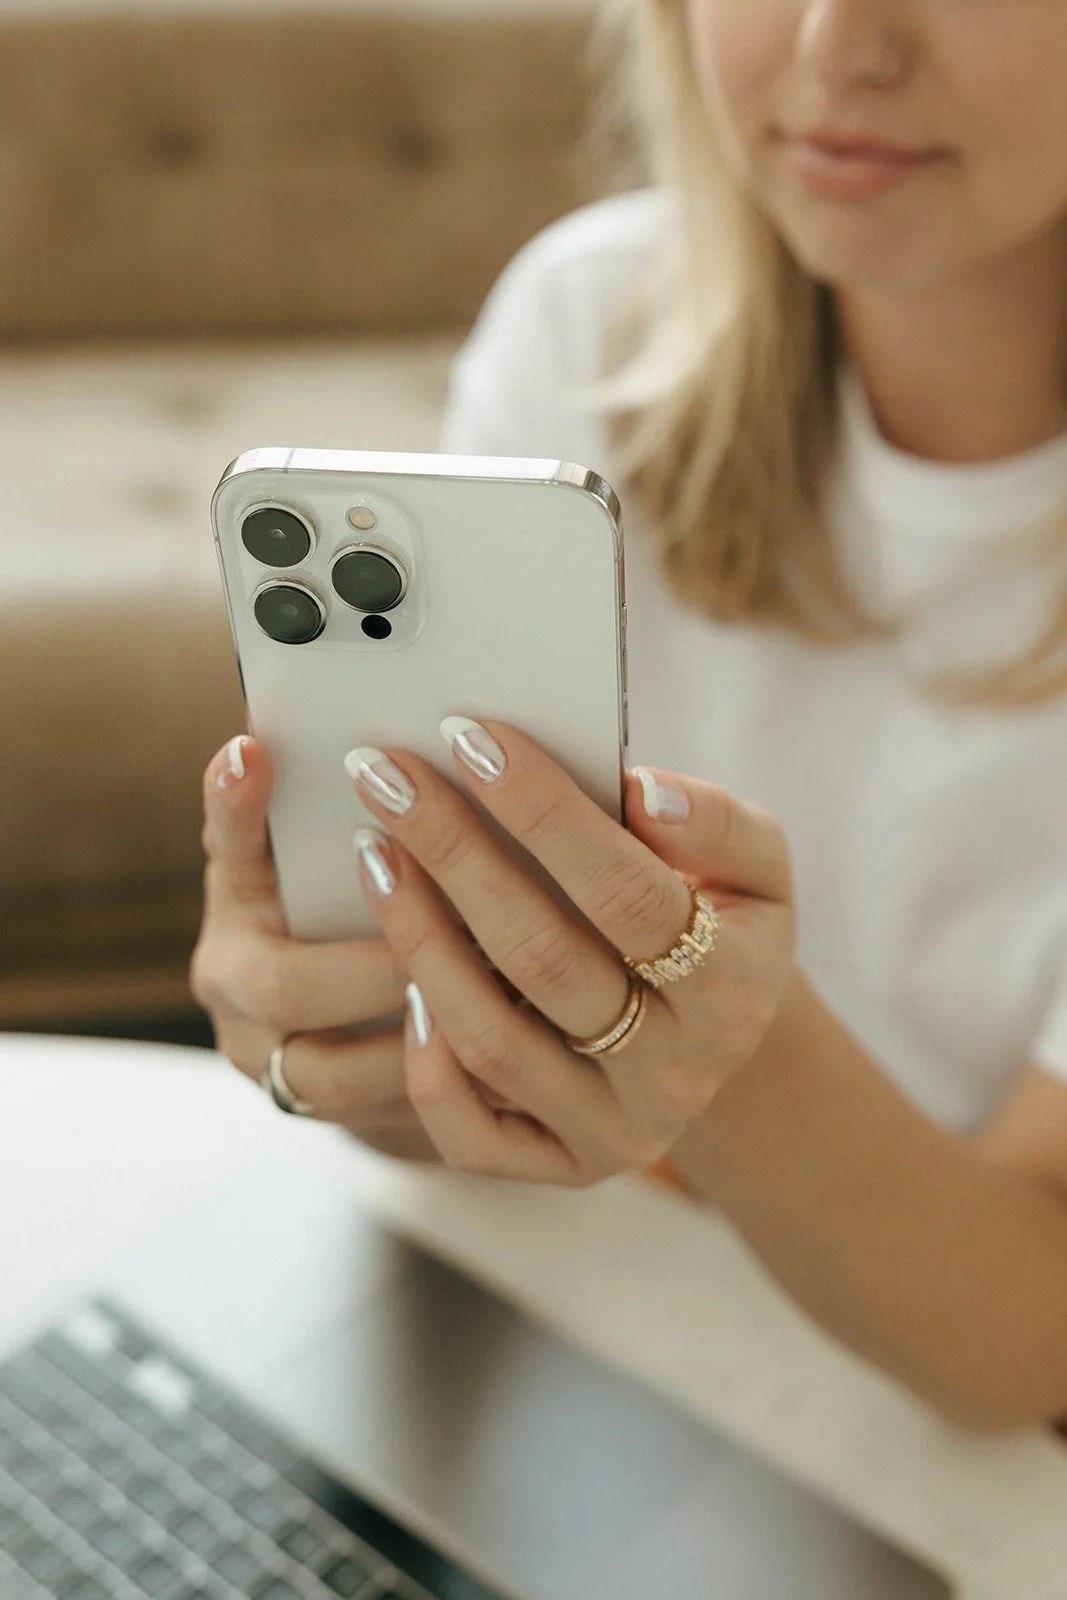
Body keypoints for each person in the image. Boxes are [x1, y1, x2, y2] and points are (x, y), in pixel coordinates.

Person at [193, 0, 1067, 1585]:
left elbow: (1024, 1341)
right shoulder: (592, 324)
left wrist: (711, 1043)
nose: (835, 44)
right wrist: (341, 1031)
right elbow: (468, 1107)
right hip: (621, 1340)